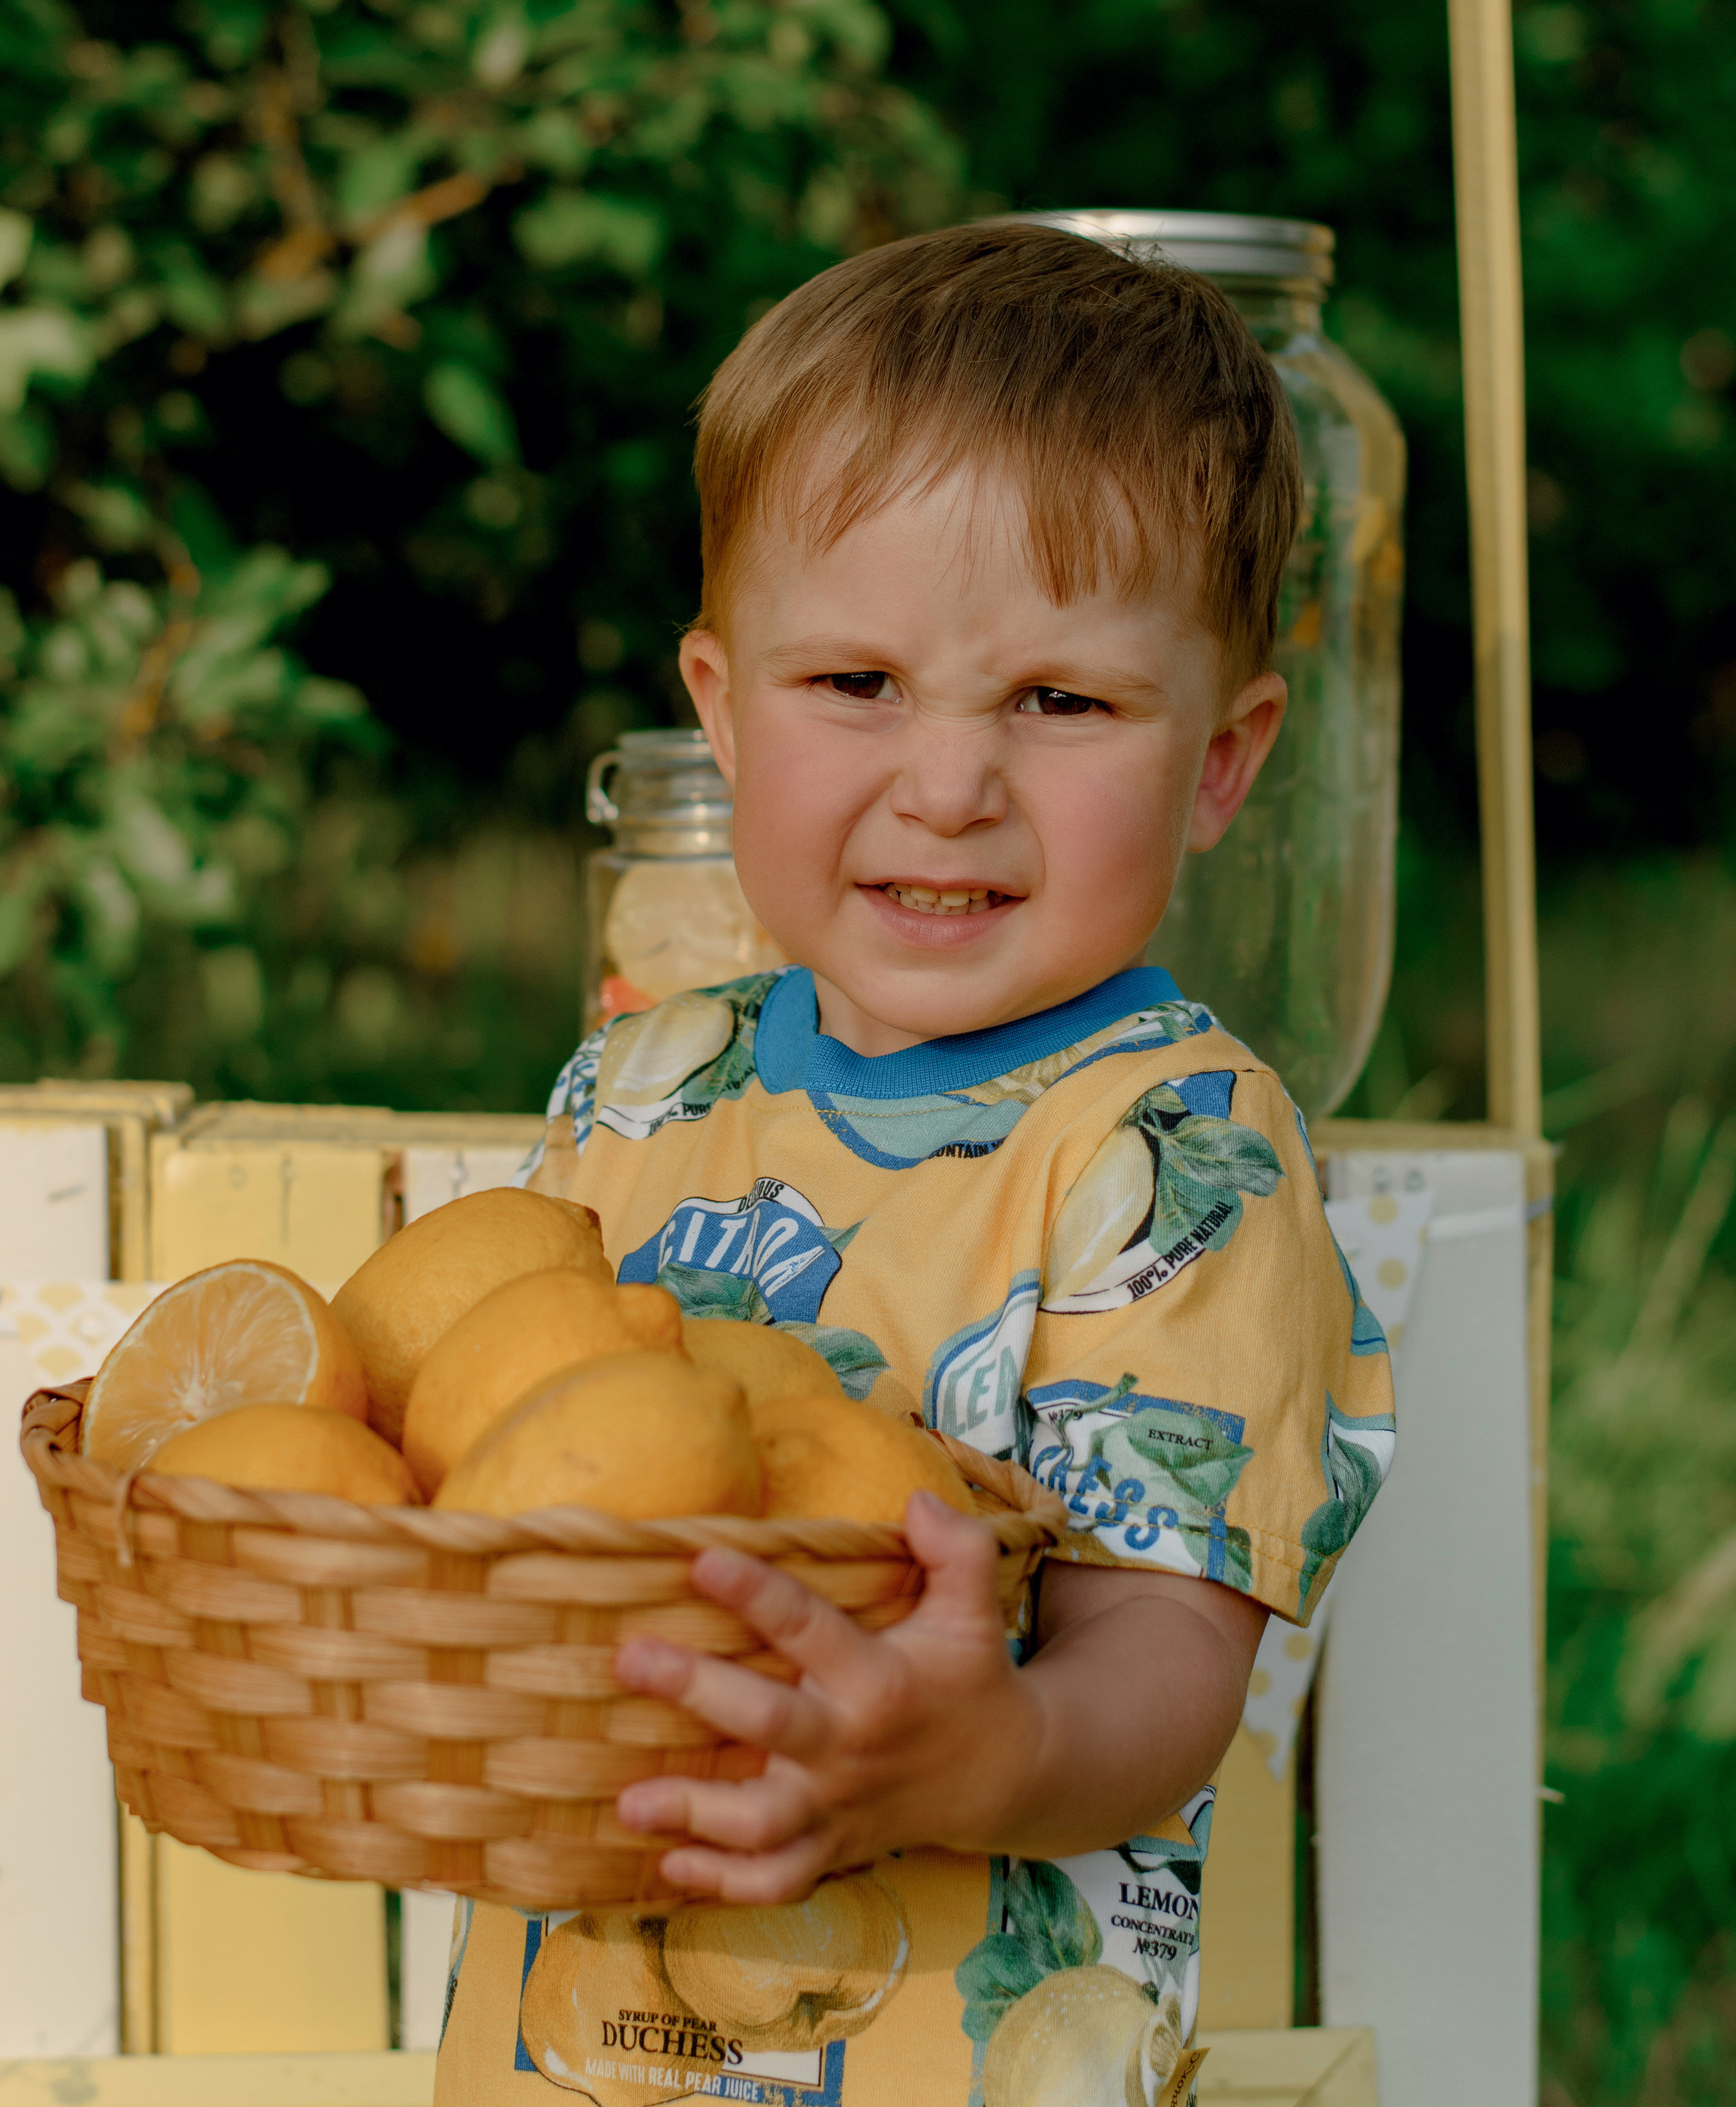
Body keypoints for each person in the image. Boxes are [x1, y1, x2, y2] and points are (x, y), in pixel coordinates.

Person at [436, 220, 1394, 2107]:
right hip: (566, 2054)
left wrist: (992, 1755)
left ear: (1222, 758)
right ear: (719, 710)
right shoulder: (634, 1089)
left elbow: (1163, 1661)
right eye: (856, 682)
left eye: (1060, 702)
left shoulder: (1173, 1146)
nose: (949, 781)